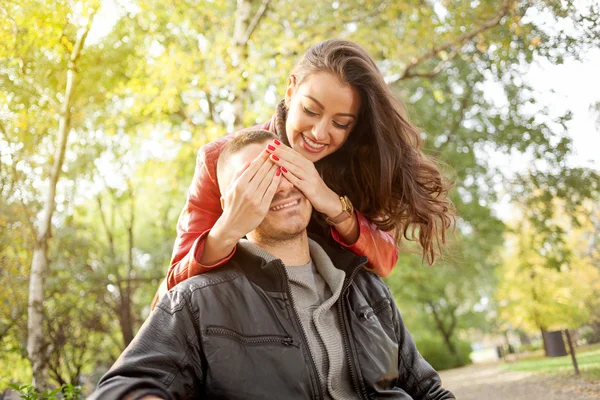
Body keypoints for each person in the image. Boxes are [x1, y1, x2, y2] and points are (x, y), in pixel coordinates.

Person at [91, 130, 455, 400]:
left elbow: (427, 389)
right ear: (228, 203)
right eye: (255, 180)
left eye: (283, 169)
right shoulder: (196, 302)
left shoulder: (364, 286)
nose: (278, 187)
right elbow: (123, 390)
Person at [159, 39, 454, 300]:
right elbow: (176, 285)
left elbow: (385, 261)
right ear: (291, 90)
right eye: (310, 111)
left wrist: (332, 205)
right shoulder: (221, 159)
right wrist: (228, 230)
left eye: (341, 123)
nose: (319, 133)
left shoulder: (356, 163)